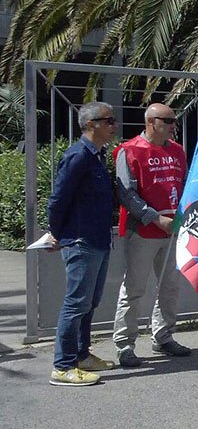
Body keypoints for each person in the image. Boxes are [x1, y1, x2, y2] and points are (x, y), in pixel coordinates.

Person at [112, 103, 190, 368]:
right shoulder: (129, 150)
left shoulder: (178, 151)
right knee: (133, 289)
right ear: (151, 122)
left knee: (169, 287)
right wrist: (156, 218)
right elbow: (126, 193)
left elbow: (185, 185)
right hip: (143, 232)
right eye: (168, 120)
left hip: (173, 232)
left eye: (173, 120)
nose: (173, 125)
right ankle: (125, 344)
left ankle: (163, 335)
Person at [46, 102, 118, 386]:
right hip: (80, 240)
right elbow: (58, 199)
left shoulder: (98, 156)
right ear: (91, 125)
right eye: (108, 120)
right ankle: (62, 367)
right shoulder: (78, 156)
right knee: (76, 304)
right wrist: (57, 233)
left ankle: (81, 355)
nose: (114, 125)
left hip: (98, 239)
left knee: (90, 303)